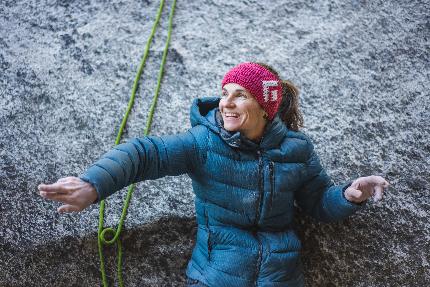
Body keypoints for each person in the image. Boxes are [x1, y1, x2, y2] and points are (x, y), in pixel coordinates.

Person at [38, 62, 390, 287]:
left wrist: (349, 195)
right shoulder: (203, 143)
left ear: (265, 108)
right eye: (224, 93)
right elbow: (146, 154)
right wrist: (92, 184)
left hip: (282, 277)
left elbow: (317, 202)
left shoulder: (297, 149)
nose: (226, 102)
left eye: (240, 95)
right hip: (216, 274)